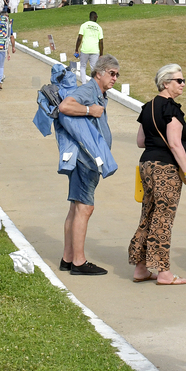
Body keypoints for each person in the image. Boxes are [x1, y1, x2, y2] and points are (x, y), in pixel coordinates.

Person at [129, 63, 186, 285]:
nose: (183, 84)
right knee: (163, 218)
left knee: (148, 214)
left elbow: (140, 142)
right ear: (165, 83)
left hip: (146, 165)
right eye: (179, 80)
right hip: (165, 169)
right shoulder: (171, 108)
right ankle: (164, 272)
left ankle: (140, 268)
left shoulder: (147, 107)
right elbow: (176, 144)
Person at [57, 55, 120, 276]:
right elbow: (66, 106)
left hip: (83, 158)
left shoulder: (98, 93)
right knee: (85, 208)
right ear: (99, 73)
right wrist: (89, 111)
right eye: (112, 73)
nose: (115, 78)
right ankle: (79, 262)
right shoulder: (89, 91)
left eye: (117, 75)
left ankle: (67, 258)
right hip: (86, 159)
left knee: (75, 207)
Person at [75, 10, 106, 79]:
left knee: (83, 67)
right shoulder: (99, 27)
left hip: (85, 49)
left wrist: (76, 49)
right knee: (93, 69)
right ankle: (92, 85)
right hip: (95, 50)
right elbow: (101, 42)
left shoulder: (84, 25)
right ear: (95, 17)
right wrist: (101, 53)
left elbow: (80, 38)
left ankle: (83, 83)